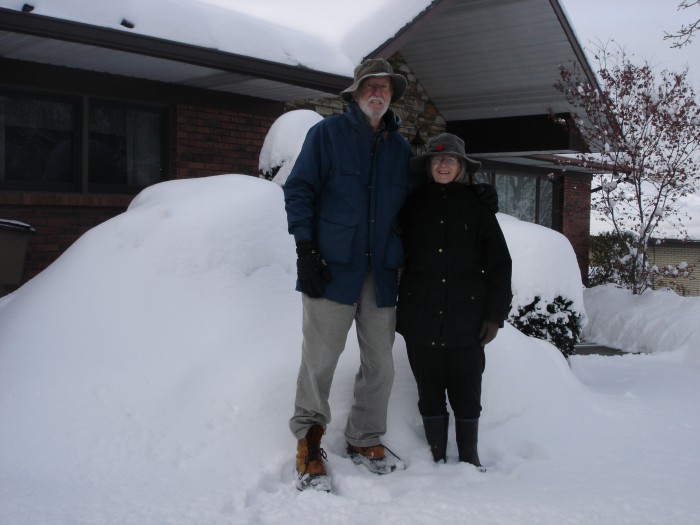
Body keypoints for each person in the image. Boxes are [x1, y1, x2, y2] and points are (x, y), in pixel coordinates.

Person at [283, 58, 417, 492]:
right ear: (356, 93)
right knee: (320, 361)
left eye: (385, 87)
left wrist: (470, 195)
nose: (378, 92)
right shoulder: (326, 136)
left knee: (381, 364)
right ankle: (309, 440)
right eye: (370, 86)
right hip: (331, 269)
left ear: (391, 95)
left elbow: (417, 204)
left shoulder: (400, 148)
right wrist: (306, 250)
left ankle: (364, 438)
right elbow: (300, 189)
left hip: (381, 272)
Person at [396, 133, 512, 468]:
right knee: (429, 392)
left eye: (450, 160)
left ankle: (469, 458)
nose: (442, 164)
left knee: (466, 393)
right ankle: (435, 457)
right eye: (436, 159)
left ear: (461, 166)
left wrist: (495, 315)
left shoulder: (478, 207)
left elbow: (499, 264)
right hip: (421, 315)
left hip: (468, 318)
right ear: (428, 166)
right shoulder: (412, 204)